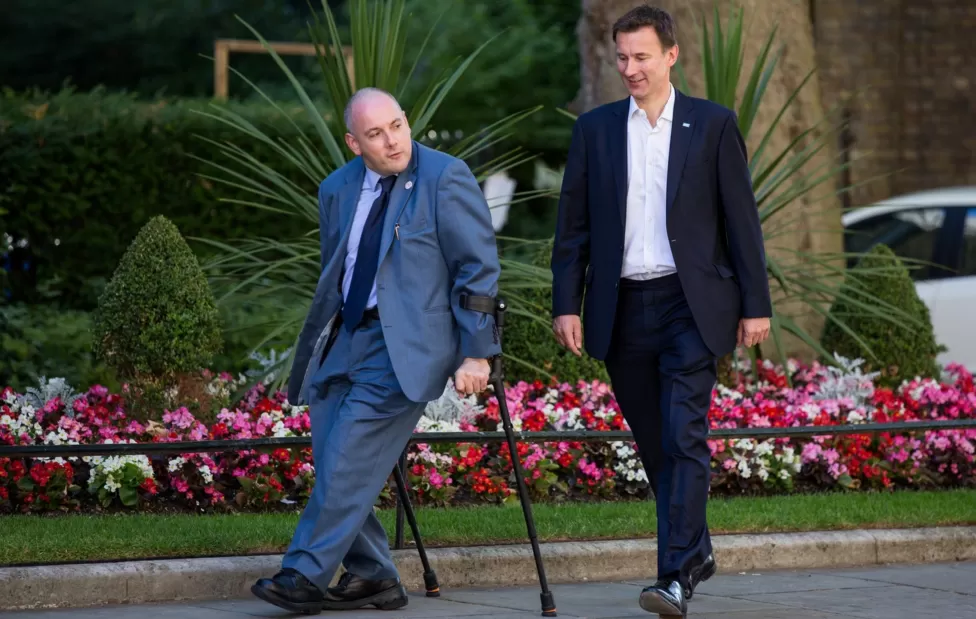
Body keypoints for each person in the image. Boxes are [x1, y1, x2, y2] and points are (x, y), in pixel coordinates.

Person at [550, 5, 772, 617]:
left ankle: (673, 576)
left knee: (683, 435)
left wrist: (757, 304)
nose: (630, 68)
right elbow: (572, 229)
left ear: (671, 55)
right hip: (621, 308)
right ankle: (696, 549)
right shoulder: (594, 130)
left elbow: (741, 222)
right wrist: (566, 304)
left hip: (690, 305)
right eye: (622, 57)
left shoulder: (712, 124)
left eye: (642, 56)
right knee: (656, 446)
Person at [251, 87, 500, 614]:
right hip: (346, 339)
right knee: (333, 455)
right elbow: (337, 269)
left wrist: (477, 353)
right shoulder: (337, 188)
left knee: (348, 457)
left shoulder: (444, 177)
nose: (392, 141)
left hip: (407, 347)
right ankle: (374, 576)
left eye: (397, 125)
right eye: (375, 134)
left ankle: (302, 573)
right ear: (353, 143)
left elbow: (476, 270)